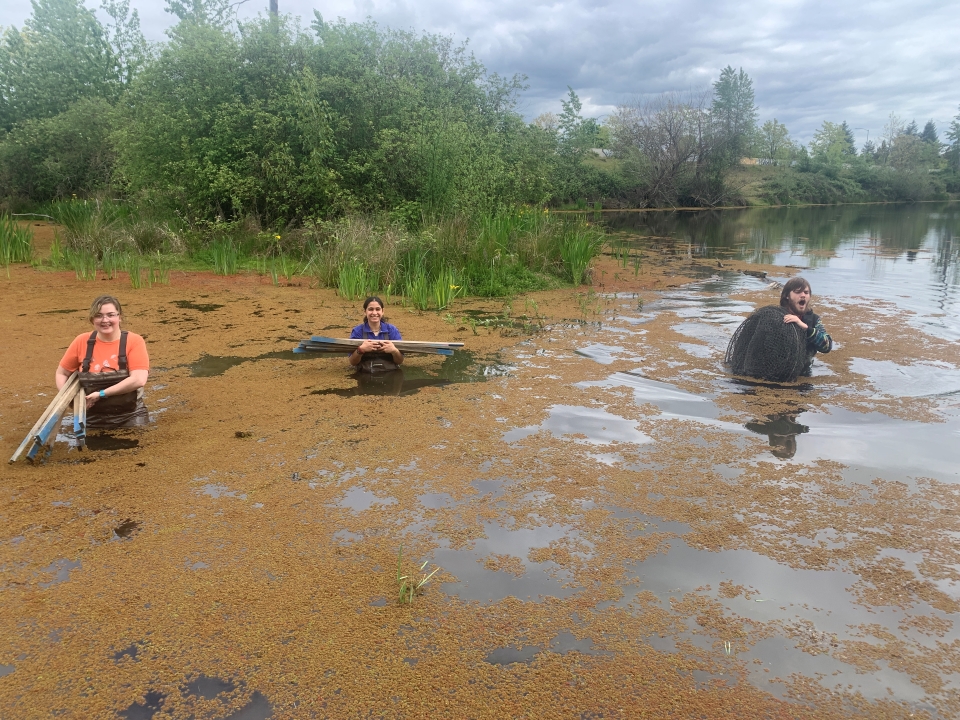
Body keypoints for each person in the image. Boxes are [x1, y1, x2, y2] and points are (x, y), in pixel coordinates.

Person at [55, 295, 150, 428]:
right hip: (90, 418)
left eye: (110, 315)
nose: (105, 320)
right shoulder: (81, 341)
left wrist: (101, 394)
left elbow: (139, 380)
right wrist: (71, 399)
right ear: (92, 319)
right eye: (99, 315)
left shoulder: (134, 341)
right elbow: (62, 373)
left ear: (119, 316)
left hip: (130, 417)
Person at [780, 277, 833, 366]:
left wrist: (807, 329)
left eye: (806, 292)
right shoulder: (776, 316)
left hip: (804, 371)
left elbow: (827, 346)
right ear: (787, 296)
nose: (803, 295)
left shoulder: (814, 320)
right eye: (798, 292)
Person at [348, 296, 404, 372]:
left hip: (390, 374)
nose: (374, 313)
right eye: (370, 309)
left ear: (382, 311)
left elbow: (400, 361)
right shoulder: (357, 331)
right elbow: (352, 362)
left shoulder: (392, 330)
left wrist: (394, 351)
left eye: (378, 309)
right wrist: (361, 350)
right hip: (364, 374)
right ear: (365, 311)